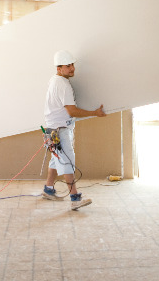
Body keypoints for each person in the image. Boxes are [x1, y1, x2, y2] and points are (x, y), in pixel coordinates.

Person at [42, 50, 106, 210]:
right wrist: (94, 113)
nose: (72, 68)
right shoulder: (62, 84)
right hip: (60, 130)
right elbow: (72, 111)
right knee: (67, 162)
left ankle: (48, 189)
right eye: (68, 66)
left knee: (56, 160)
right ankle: (75, 198)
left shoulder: (54, 80)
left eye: (72, 65)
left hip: (52, 129)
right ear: (59, 68)